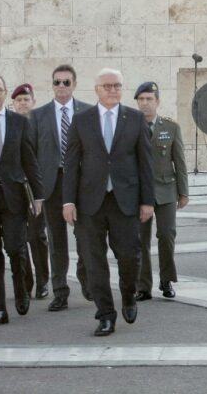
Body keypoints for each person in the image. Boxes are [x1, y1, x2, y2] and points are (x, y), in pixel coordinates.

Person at [62, 68, 154, 337]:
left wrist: (147, 201)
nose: (113, 90)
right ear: (97, 89)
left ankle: (128, 296)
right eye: (107, 86)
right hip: (90, 202)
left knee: (129, 257)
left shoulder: (135, 119)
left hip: (125, 201)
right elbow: (71, 164)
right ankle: (105, 314)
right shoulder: (81, 120)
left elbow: (145, 164)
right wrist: (68, 201)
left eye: (117, 86)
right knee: (93, 261)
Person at [0, 74, 43, 326]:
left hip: (14, 197)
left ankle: (22, 291)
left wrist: (38, 195)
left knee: (16, 248)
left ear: (5, 94)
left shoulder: (19, 123)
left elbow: (30, 161)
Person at [29, 65, 91, 311]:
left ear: (74, 84)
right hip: (51, 185)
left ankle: (86, 279)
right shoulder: (38, 115)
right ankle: (60, 291)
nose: (61, 87)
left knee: (86, 236)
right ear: (52, 85)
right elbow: (32, 155)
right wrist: (36, 192)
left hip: (81, 185)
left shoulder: (88, 112)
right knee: (56, 241)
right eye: (57, 82)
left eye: (66, 82)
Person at [133, 82, 188, 301]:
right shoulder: (129, 127)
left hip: (165, 189)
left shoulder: (170, 127)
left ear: (157, 101)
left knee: (166, 235)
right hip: (139, 193)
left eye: (149, 99)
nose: (145, 104)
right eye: (141, 100)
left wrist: (183, 192)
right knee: (140, 240)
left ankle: (166, 279)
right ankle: (143, 286)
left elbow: (180, 162)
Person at [10, 83, 49, 301]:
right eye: (19, 100)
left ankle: (43, 281)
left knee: (36, 236)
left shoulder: (40, 125)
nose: (23, 103)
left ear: (33, 101)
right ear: (13, 104)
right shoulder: (8, 125)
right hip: (13, 190)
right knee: (18, 238)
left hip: (35, 190)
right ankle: (26, 282)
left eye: (26, 99)